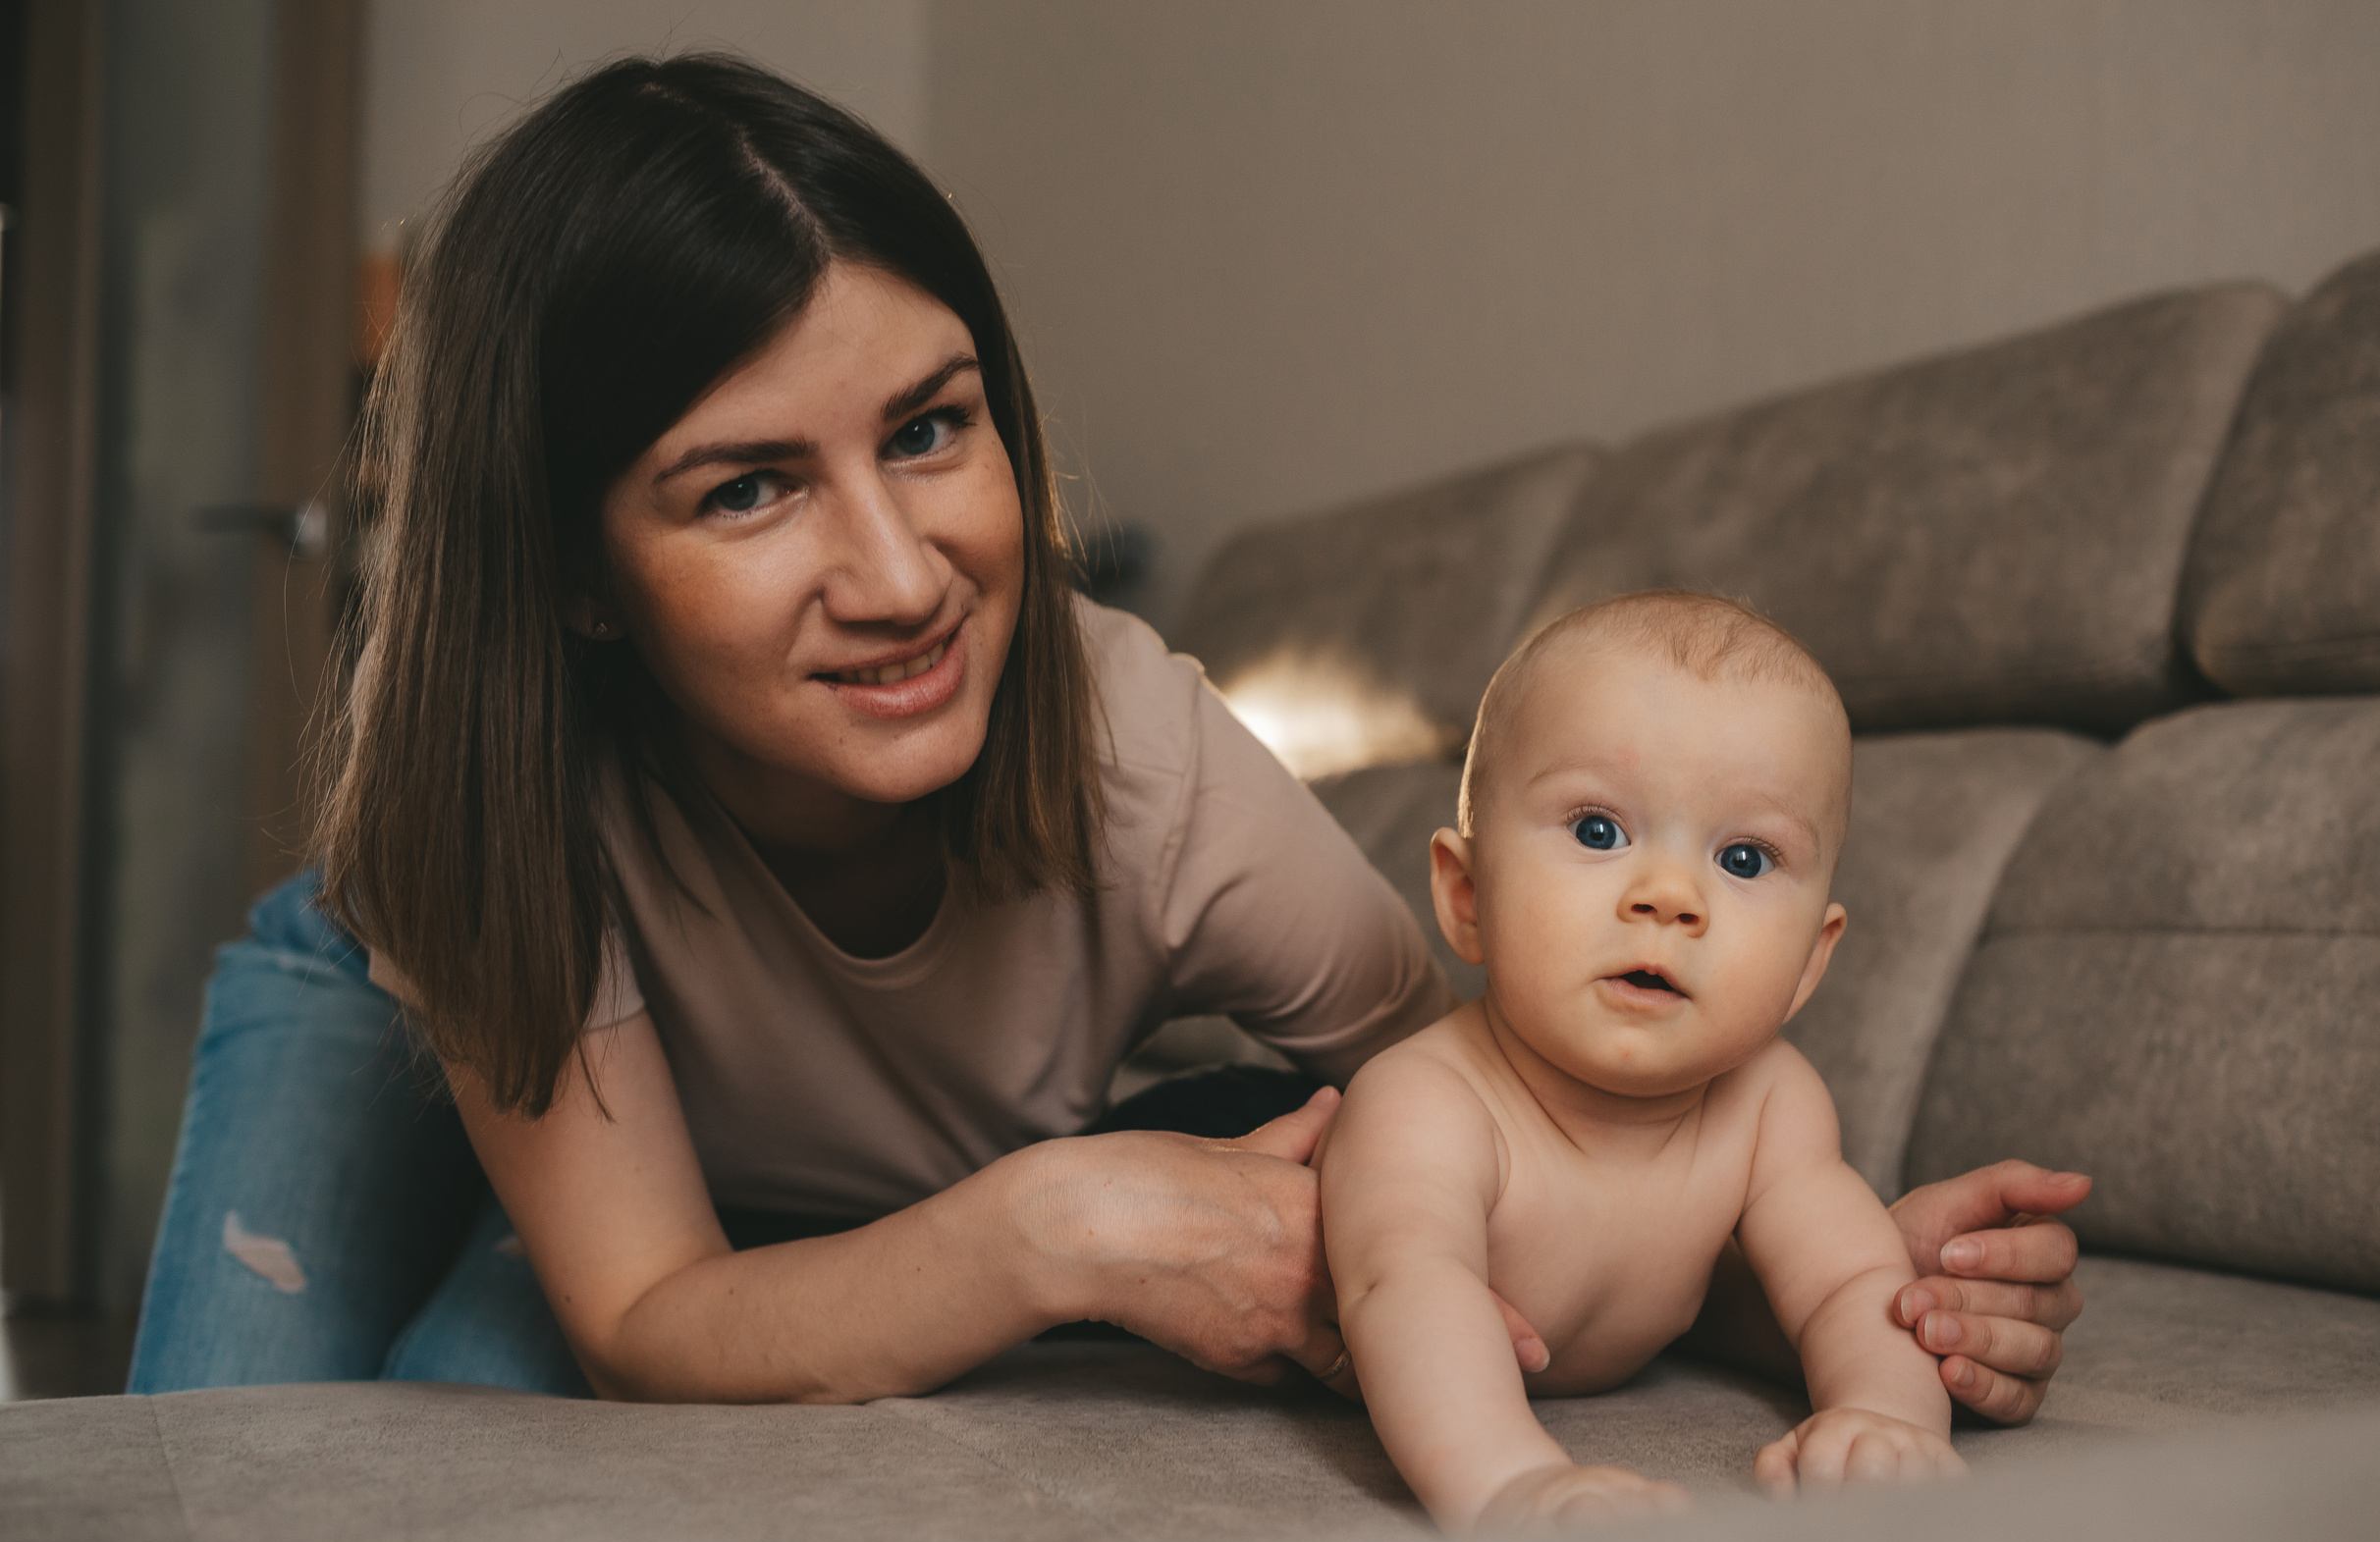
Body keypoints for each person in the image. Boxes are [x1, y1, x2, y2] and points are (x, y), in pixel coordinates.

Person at [129, 55, 2087, 1419]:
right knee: (219, 1477)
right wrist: (1049, 1224)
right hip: (417, 984)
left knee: (483, 1389)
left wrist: (1820, 1274)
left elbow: (1521, 1143)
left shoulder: (1149, 763)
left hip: (759, 1186)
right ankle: (517, 1163)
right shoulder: (511, 808)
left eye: (926, 427)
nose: (899, 576)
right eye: (744, 490)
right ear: (571, 575)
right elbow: (646, 1308)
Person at [1323, 592, 1991, 1534]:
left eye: (1746, 858)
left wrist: (1885, 1416)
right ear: (1468, 896)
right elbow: (1409, 1285)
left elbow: (1847, 1281)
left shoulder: (1772, 1104)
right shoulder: (1424, 1100)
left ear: (1808, 964)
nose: (1670, 897)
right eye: (1599, 830)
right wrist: (1510, 1481)